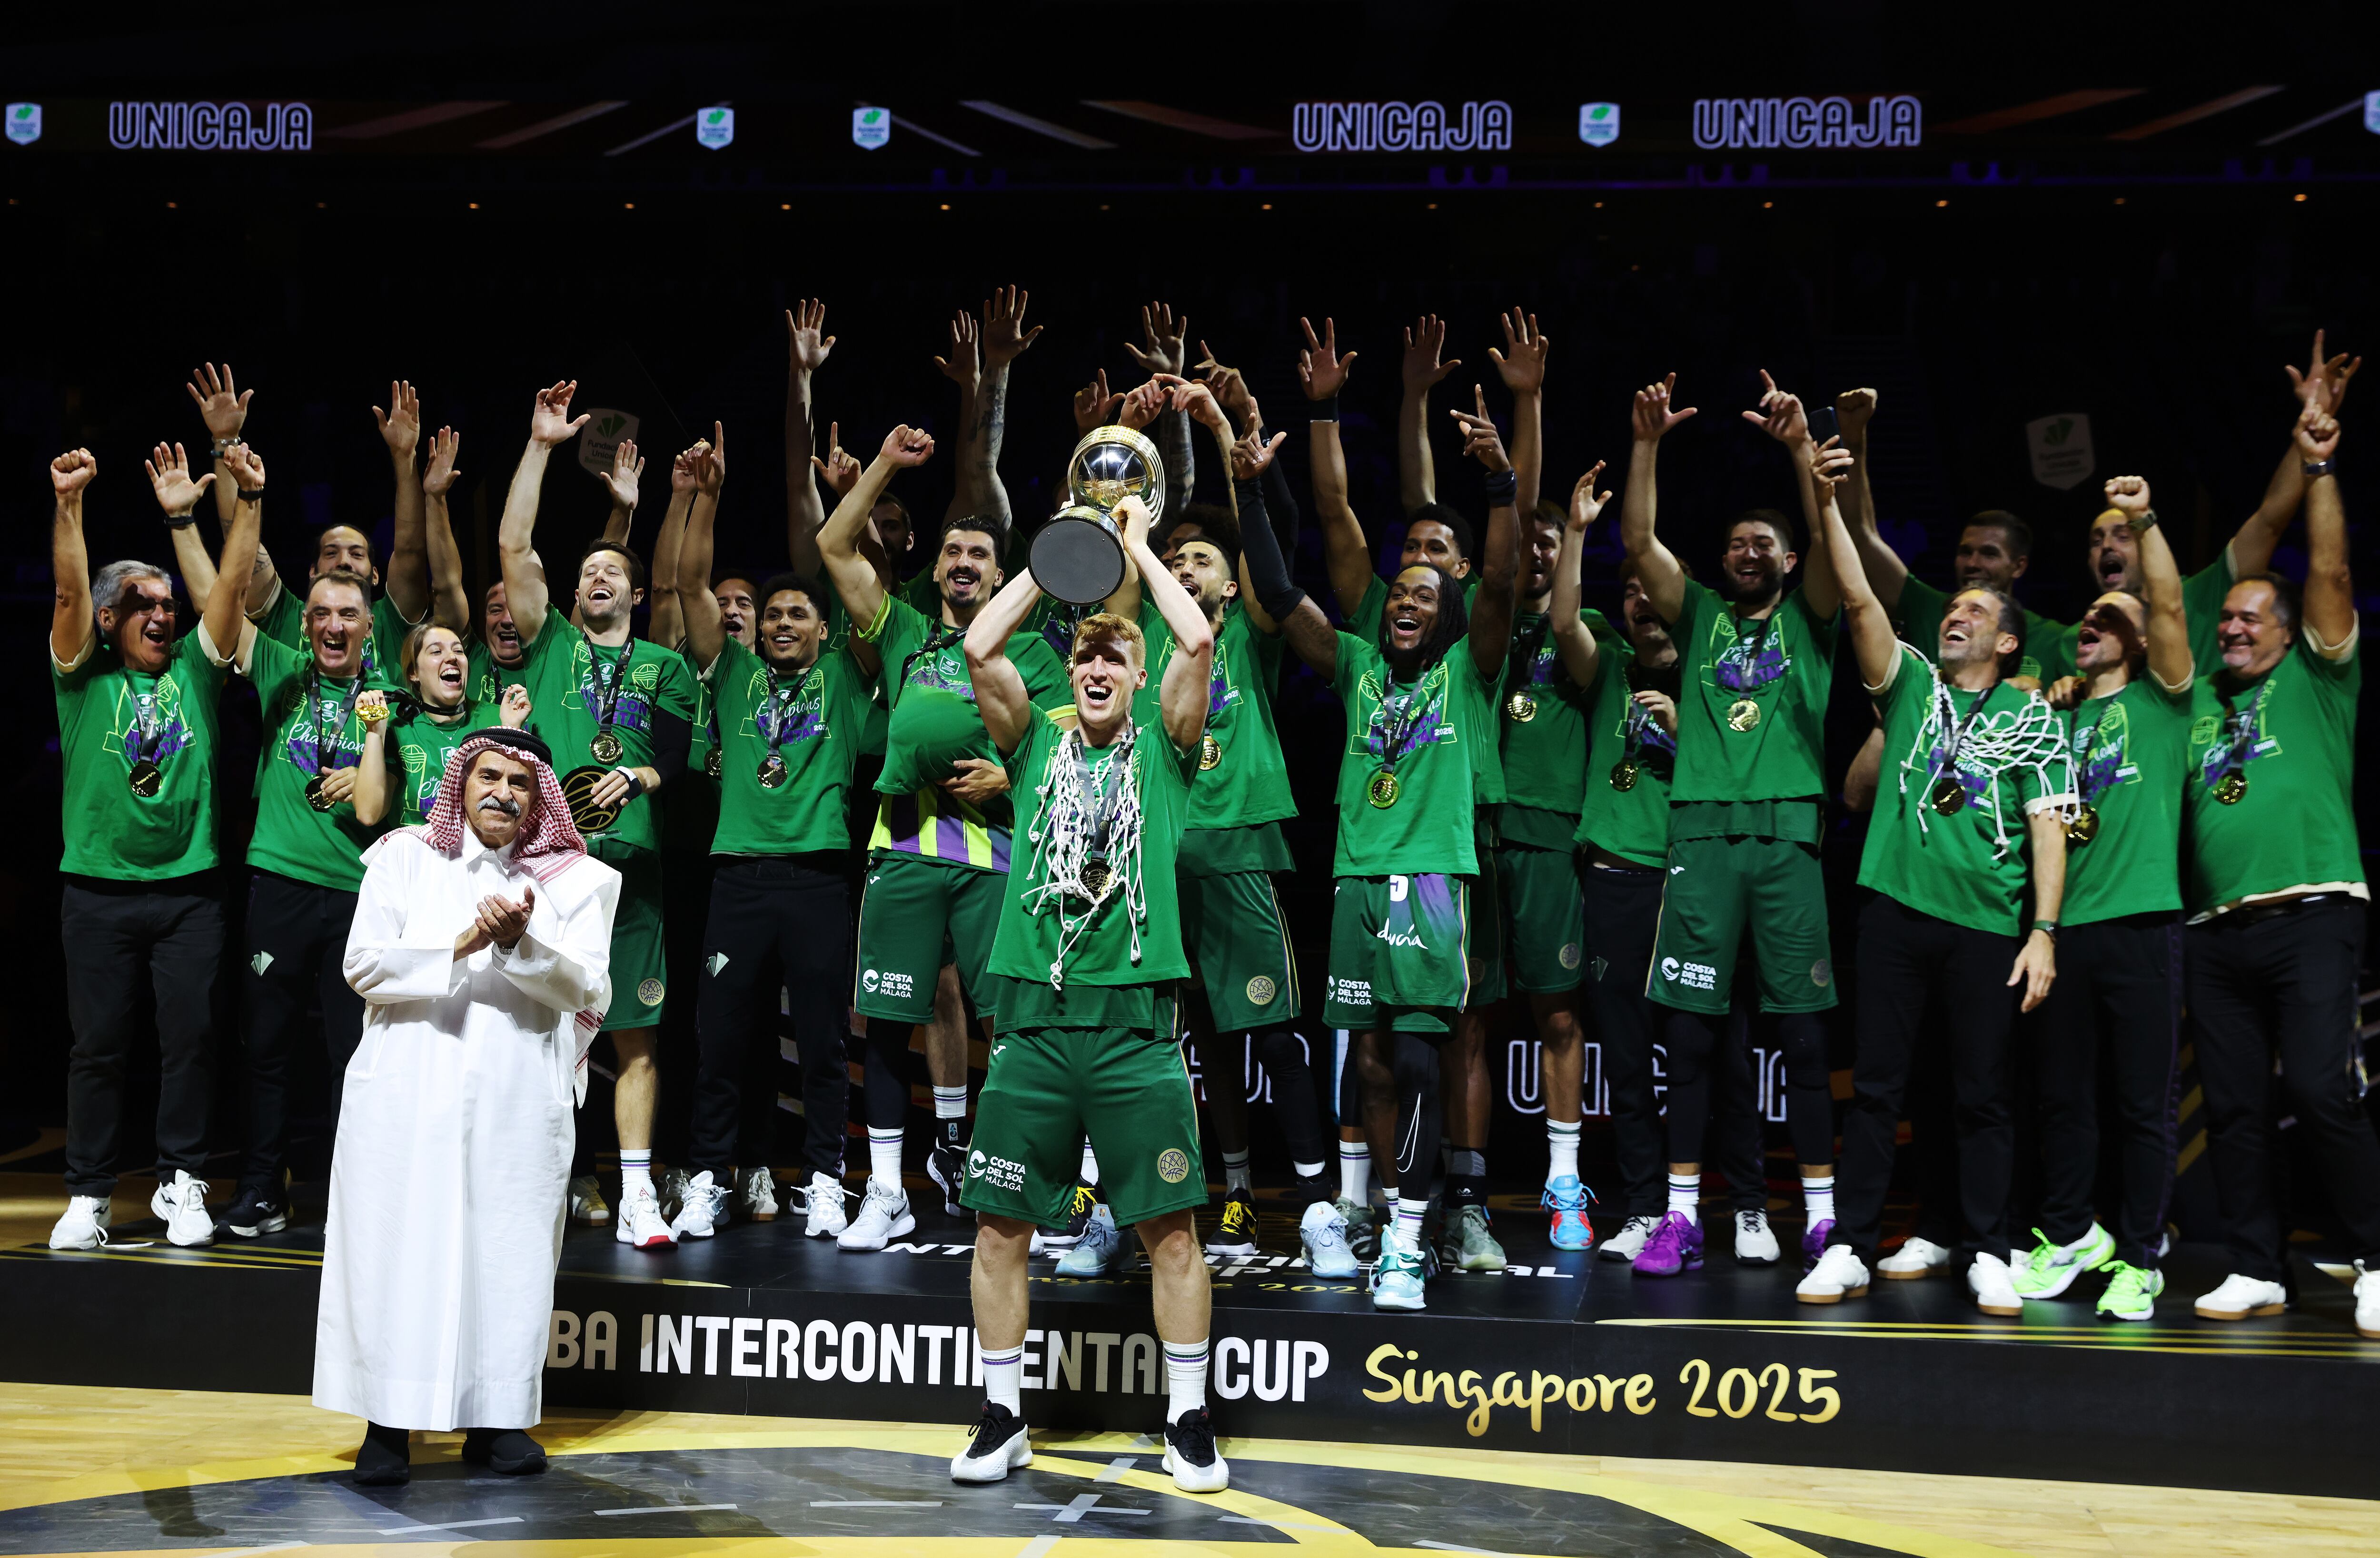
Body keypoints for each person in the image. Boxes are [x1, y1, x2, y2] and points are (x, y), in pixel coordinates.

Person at [952, 490, 1227, 1493]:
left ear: (1138, 675)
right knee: (999, 1225)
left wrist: (1135, 548)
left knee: (1171, 1230)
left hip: (1134, 1023)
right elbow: (983, 647)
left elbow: (1196, 636)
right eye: (1085, 658)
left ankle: (1188, 1418)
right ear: (1070, 677)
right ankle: (1001, 1414)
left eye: (1116, 658)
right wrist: (1057, 553)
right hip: (1032, 1011)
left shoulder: (1167, 746)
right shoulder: (1032, 747)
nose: (1099, 668)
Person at [1797, 432, 2074, 1316]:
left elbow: (2049, 828)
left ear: (2007, 637)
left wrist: (2044, 932)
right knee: (1877, 1088)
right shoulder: (1913, 683)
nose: (1952, 615)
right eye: (1948, 606)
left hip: (1987, 927)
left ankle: (1989, 1247)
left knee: (1984, 1096)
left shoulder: (2035, 720)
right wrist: (1827, 501)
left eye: (1972, 611)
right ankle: (1849, 1243)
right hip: (1893, 914)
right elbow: (1856, 592)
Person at [318, 728, 620, 1486]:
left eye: (521, 783)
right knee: (398, 1250)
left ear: (538, 798)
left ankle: (498, 1419)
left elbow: (591, 990)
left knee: (509, 1253)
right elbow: (363, 964)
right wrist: (462, 942)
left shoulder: (579, 880)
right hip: (407, 1092)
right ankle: (386, 1423)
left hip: (518, 1097)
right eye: (490, 775)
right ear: (461, 780)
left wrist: (519, 944)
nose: (504, 793)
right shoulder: (403, 856)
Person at [1294, 316, 1521, 1312]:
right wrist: (1328, 410)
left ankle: (1442, 1209)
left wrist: (1504, 474)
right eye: (1408, 561)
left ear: (1457, 583)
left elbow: (1503, 571)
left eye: (1437, 562)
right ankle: (1382, 1206)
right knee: (1374, 1053)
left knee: (1452, 1038)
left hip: (1453, 855)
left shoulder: (1474, 653)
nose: (1412, 574)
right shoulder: (1363, 647)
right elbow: (1338, 517)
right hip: (1366, 857)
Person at [818, 418, 1068, 1253]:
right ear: (940, 569)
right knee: (887, 1023)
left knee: (1013, 1026)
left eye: (979, 559)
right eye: (954, 556)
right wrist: (884, 467)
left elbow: (1070, 746)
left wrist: (1014, 774)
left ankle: (1010, 1177)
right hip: (903, 854)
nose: (964, 566)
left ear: (1003, 577)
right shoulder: (903, 632)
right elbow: (834, 541)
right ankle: (887, 1188)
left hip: (996, 861)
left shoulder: (1030, 651)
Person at [1103, 376, 1337, 1270]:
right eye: (1180, 558)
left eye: (1203, 561)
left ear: (1231, 588)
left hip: (1240, 852)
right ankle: (1231, 1194)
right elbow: (1107, 559)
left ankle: (1314, 1205)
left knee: (1271, 1036)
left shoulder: (1246, 635)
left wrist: (1232, 428)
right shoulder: (1145, 641)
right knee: (1192, 1042)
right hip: (1155, 859)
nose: (1189, 570)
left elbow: (1273, 559)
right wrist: (1123, 440)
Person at [1621, 373, 1842, 1278]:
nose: (1749, 551)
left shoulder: (1816, 618)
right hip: (1702, 838)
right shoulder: (1704, 613)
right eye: (1737, 542)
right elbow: (1639, 541)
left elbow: (1833, 545)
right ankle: (1680, 1215)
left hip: (1788, 838)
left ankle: (1824, 1220)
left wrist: (1801, 454)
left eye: (1766, 543)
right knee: (1696, 1036)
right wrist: (1645, 443)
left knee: (1801, 1035)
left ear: (1788, 562)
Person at [2181, 409, 2380, 1341]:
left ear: (2290, 630)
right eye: (2223, 614)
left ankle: (2375, 1255)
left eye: (2248, 614)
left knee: (2316, 1087)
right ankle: (2257, 1266)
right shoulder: (2200, 710)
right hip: (2216, 929)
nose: (2229, 625)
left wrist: (2320, 464)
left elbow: (2331, 571)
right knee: (2230, 1105)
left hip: (2312, 913)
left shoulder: (2317, 679)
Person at [47, 442, 262, 1251]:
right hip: (96, 889)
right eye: (143, 603)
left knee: (193, 1040)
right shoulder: (82, 677)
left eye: (168, 602)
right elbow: (69, 585)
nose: (163, 614)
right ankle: (90, 1194)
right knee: (98, 1045)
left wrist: (248, 502)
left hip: (191, 889)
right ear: (109, 618)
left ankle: (181, 1183)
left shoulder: (198, 674)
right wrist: (69, 503)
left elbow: (233, 589)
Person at [499, 381, 697, 1252]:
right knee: (537, 1028)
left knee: (636, 1035)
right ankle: (538, 1180)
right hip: (549, 870)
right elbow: (515, 542)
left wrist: (642, 777)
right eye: (585, 575)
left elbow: (682, 762)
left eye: (611, 571)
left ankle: (637, 1192)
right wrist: (542, 446)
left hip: (636, 875)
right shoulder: (550, 646)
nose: (596, 579)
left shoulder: (665, 666)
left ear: (637, 593)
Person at [669, 432, 878, 1241]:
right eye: (775, 613)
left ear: (825, 631)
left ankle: (827, 1179)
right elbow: (690, 583)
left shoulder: (847, 679)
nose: (785, 620)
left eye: (800, 613)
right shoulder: (732, 673)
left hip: (821, 875)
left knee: (825, 1043)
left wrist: (848, 511)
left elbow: (859, 586)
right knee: (718, 1040)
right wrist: (707, 496)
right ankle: (709, 1178)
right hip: (739, 879)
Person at [2015, 474, 2195, 1321]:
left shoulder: (2165, 699)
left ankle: (2144, 1255)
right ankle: (2074, 1233)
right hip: (2069, 931)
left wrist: (2147, 518)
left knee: (2140, 1105)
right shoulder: (2063, 717)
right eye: (2084, 618)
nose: (2090, 623)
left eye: (2106, 618)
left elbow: (2164, 602)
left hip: (2142, 923)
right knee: (2063, 1097)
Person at [225, 453, 402, 1240]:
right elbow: (236, 588)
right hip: (279, 884)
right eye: (323, 612)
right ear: (306, 620)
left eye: (350, 615)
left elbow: (395, 801)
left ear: (370, 626)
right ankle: (263, 1187)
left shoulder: (389, 697)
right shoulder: (281, 667)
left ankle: (345, 1196)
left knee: (349, 1057)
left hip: (357, 893)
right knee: (264, 1047)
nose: (334, 625)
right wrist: (245, 486)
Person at [1547, 463, 1669, 1262]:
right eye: (1626, 591)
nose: (1639, 600)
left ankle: (1735, 1205)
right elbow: (1563, 625)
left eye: (1649, 588)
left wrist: (1688, 728)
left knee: (1702, 1054)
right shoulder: (1613, 669)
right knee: (1624, 1060)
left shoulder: (1708, 671)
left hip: (1687, 884)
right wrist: (1581, 535)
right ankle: (1648, 1206)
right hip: (1612, 881)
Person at [173, 365, 431, 683]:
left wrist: (405, 459)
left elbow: (410, 549)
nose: (344, 562)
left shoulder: (392, 620)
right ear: (312, 571)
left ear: (377, 576)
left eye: (356, 554)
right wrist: (225, 440)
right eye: (332, 553)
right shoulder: (288, 618)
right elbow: (240, 544)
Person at [353, 625, 534, 829]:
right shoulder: (400, 727)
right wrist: (375, 733)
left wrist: (511, 732)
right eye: (436, 651)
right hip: (415, 856)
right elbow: (369, 813)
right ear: (414, 672)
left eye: (458, 650)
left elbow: (522, 809)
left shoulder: (499, 718)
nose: (451, 658)